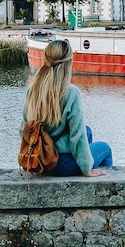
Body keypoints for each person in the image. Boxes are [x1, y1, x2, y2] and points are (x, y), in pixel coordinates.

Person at [22, 38, 113, 177]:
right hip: (60, 164)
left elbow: (23, 129)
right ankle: (101, 192)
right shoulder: (70, 92)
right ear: (68, 63)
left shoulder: (33, 90)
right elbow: (77, 136)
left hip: (39, 162)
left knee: (87, 130)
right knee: (105, 149)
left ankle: (81, 161)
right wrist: (87, 169)